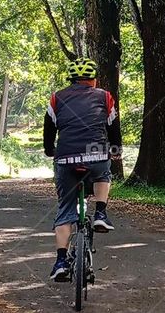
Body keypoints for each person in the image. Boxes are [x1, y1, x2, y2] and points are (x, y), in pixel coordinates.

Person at [43, 57, 121, 282]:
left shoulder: (57, 98)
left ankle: (60, 261)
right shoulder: (105, 97)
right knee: (103, 172)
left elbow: (49, 129)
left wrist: (51, 150)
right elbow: (113, 127)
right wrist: (115, 150)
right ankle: (100, 213)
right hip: (95, 152)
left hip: (66, 157)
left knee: (65, 208)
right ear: (93, 80)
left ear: (72, 80)